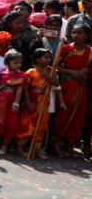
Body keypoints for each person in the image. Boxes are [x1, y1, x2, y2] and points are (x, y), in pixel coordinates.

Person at [52, 22, 91, 157]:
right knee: (63, 115)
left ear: (86, 36)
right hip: (67, 87)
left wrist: (86, 70)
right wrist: (71, 72)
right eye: (74, 32)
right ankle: (56, 144)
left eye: (79, 33)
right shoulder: (65, 49)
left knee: (78, 117)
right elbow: (55, 67)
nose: (75, 35)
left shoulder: (90, 52)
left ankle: (70, 146)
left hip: (81, 88)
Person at [19, 48, 61, 159]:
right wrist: (27, 103)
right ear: (37, 59)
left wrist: (47, 76)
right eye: (45, 57)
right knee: (27, 124)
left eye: (49, 57)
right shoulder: (30, 72)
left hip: (44, 103)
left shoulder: (52, 71)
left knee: (42, 125)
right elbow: (25, 89)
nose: (48, 59)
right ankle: (21, 146)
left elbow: (56, 84)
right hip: (32, 102)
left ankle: (38, 148)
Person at [0, 50, 28, 156]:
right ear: (8, 62)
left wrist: (16, 103)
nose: (18, 65)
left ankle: (4, 145)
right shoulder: (2, 72)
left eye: (20, 63)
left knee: (10, 123)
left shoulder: (22, 75)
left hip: (11, 102)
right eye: (15, 63)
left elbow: (19, 90)